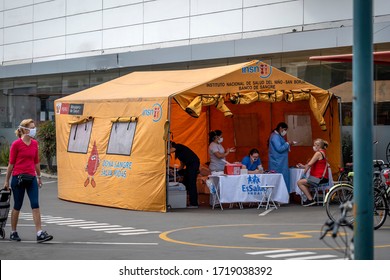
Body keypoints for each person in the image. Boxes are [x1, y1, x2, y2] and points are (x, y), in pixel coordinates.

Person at [3, 119, 53, 242]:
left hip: (31, 178)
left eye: (34, 127)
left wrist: (39, 177)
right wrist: (6, 181)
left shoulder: (35, 144)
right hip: (18, 178)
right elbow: (11, 164)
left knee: (35, 205)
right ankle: (13, 232)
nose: (34, 129)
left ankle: (40, 233)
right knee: (17, 206)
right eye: (32, 127)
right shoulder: (16, 144)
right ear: (25, 129)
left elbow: (36, 162)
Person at [297, 138, 329, 207]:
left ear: (318, 146)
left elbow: (309, 164)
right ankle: (310, 198)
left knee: (299, 182)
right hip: (322, 178)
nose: (314, 147)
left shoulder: (318, 153)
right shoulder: (323, 152)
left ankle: (310, 199)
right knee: (304, 182)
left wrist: (304, 173)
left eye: (315, 145)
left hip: (319, 178)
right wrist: (303, 166)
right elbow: (312, 164)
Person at [170, 142, 200, 208]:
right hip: (189, 165)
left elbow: (170, 151)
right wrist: (175, 171)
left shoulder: (178, 146)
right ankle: (188, 201)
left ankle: (194, 203)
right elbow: (182, 165)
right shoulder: (179, 153)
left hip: (193, 164)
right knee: (186, 182)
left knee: (191, 182)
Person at [268, 122, 295, 192]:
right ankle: (280, 197)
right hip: (277, 163)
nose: (285, 132)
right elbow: (279, 149)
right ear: (280, 128)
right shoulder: (275, 137)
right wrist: (287, 143)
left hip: (281, 162)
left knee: (283, 179)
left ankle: (284, 196)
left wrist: (288, 144)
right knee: (279, 180)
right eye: (285, 129)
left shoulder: (279, 136)